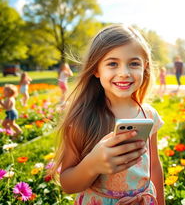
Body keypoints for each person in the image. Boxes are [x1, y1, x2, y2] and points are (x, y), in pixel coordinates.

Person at [51, 24, 165, 205]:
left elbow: (154, 166)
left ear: (145, 67)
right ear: (96, 69)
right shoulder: (83, 118)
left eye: (134, 64)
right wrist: (92, 164)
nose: (124, 73)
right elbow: (68, 184)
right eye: (112, 64)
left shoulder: (148, 115)